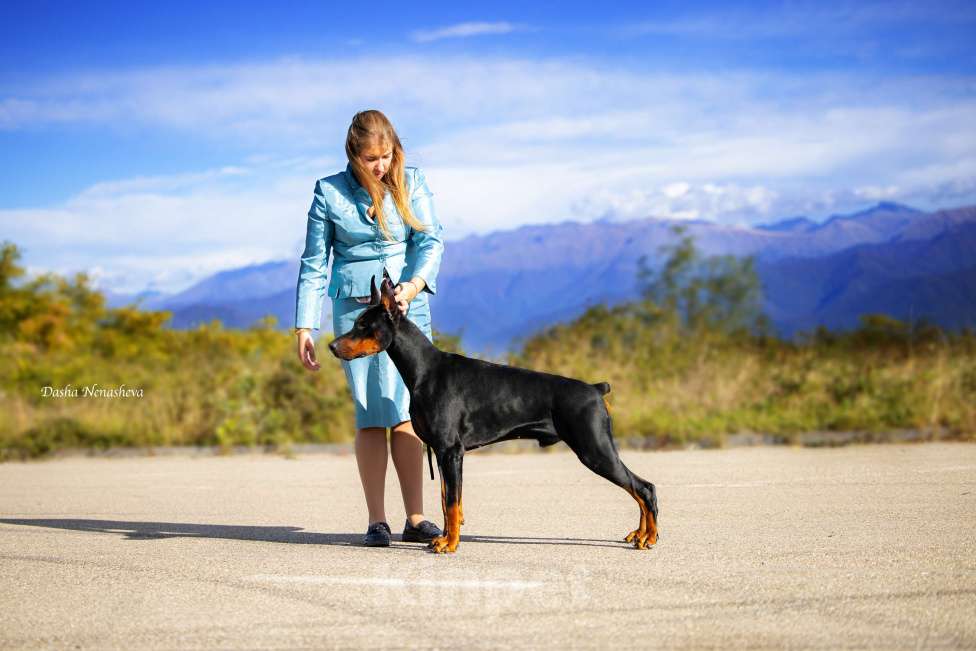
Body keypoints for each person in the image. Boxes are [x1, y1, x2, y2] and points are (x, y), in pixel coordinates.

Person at [293, 109, 446, 547]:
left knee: (408, 409)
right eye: (370, 159)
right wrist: (304, 326)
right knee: (371, 412)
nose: (380, 166)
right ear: (353, 155)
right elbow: (314, 262)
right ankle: (376, 520)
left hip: (406, 309)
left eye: (386, 156)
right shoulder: (328, 192)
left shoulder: (412, 181)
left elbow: (431, 240)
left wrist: (413, 286)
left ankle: (416, 518)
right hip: (355, 316)